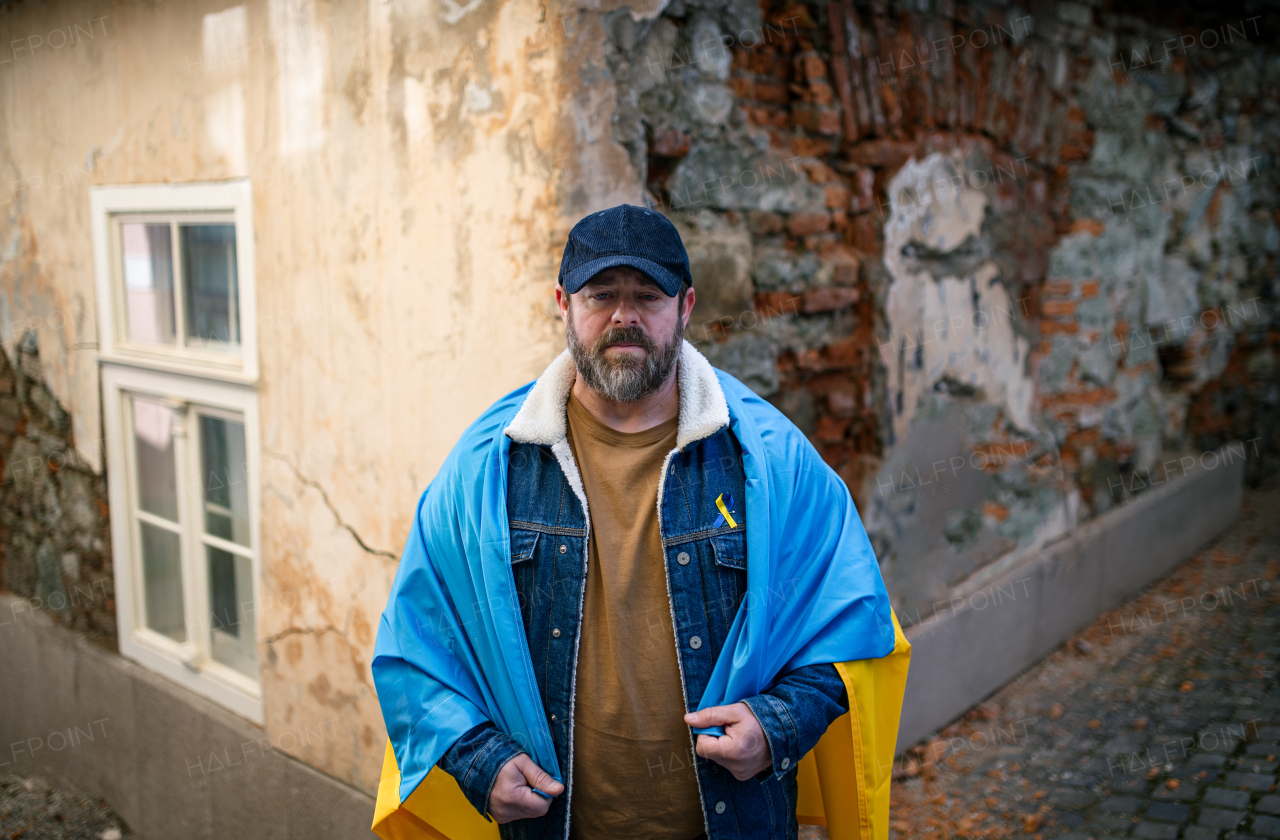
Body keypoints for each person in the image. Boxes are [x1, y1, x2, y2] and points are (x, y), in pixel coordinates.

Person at [371, 204, 906, 840]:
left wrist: (777, 725)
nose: (624, 316)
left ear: (685, 307)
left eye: (647, 295)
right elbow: (416, 649)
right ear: (563, 304)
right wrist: (481, 762)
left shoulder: (771, 459)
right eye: (602, 295)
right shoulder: (486, 469)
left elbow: (853, 630)